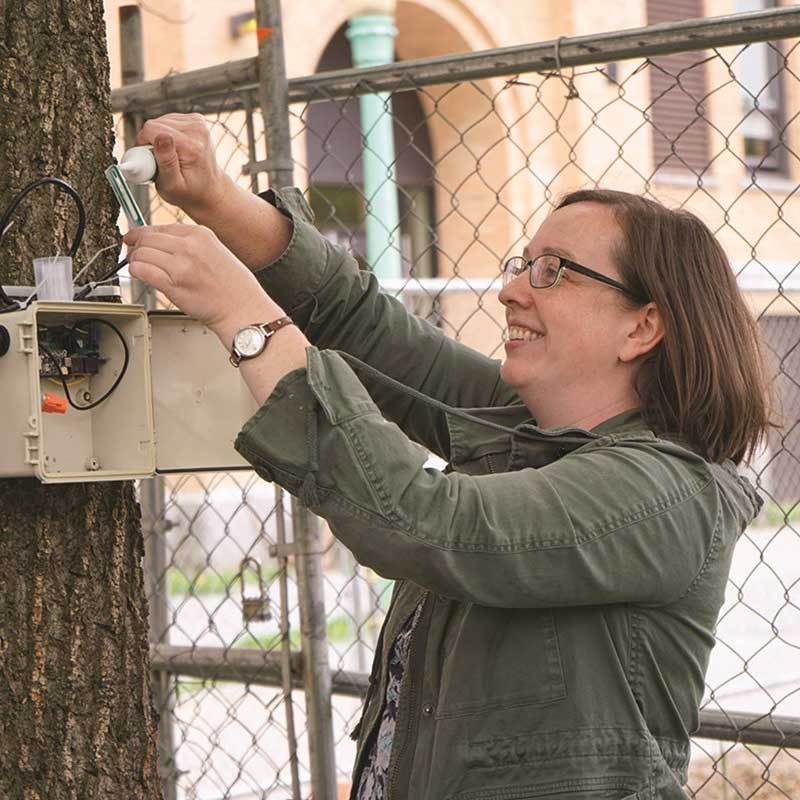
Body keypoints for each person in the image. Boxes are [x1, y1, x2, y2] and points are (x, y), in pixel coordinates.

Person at [124, 113, 770, 800]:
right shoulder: (533, 427)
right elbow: (356, 321)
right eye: (521, 264)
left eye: (553, 272)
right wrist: (216, 198)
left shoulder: (665, 492)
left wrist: (244, 319)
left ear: (643, 326)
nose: (511, 289)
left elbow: (420, 522)